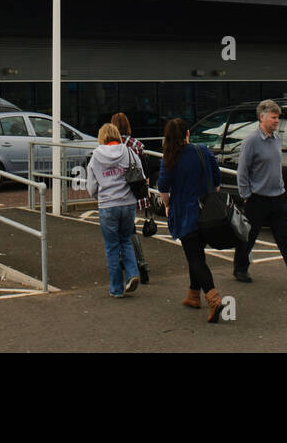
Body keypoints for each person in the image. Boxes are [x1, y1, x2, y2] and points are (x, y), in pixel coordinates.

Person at [233, 99, 287, 289]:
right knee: (248, 236)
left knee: (286, 238)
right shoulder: (251, 141)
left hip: (278, 197)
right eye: (273, 117)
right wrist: (246, 194)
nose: (276, 121)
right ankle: (240, 267)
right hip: (257, 199)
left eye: (277, 117)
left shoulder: (276, 139)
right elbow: (243, 170)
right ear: (262, 117)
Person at [157, 117, 228, 322]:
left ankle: (213, 299)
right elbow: (217, 180)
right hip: (207, 212)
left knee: (195, 258)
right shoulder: (202, 150)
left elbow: (163, 186)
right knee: (197, 255)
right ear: (187, 134)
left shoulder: (169, 158)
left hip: (185, 213)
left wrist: (168, 204)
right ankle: (193, 295)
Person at [86, 122, 143, 298]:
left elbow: (91, 186)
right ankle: (133, 274)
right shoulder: (128, 151)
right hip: (127, 204)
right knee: (126, 240)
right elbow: (140, 172)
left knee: (112, 247)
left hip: (107, 205)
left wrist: (99, 196)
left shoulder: (95, 156)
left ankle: (117, 289)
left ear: (101, 137)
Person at [112, 112, 151, 284]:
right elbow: (145, 170)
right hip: (135, 190)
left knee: (120, 228)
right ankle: (140, 261)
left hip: (117, 192)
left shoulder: (111, 145)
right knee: (131, 227)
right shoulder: (137, 144)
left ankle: (132, 262)